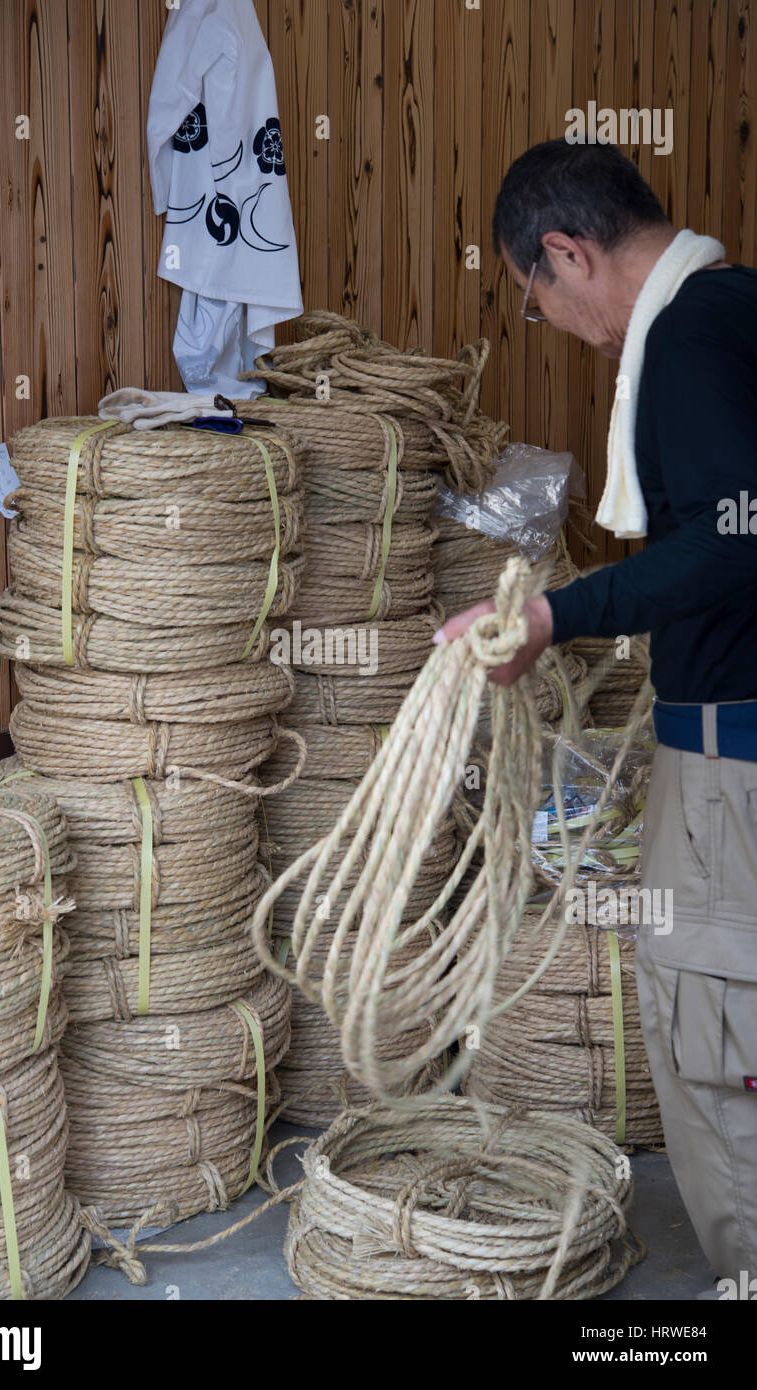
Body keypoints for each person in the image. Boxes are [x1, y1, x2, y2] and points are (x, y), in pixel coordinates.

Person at [436, 138, 757, 1296]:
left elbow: (731, 539)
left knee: (718, 1035)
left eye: (540, 302)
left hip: (737, 753)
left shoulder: (688, 338)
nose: (564, 329)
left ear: (567, 254)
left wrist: (552, 615)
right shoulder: (741, 311)